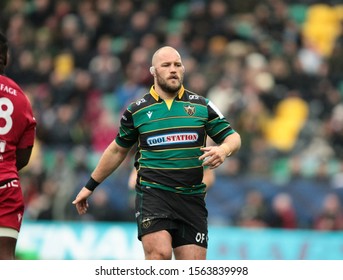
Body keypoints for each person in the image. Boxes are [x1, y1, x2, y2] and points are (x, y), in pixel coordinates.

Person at [73, 46, 241, 260]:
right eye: (166, 65)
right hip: (154, 194)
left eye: (177, 65)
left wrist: (224, 149)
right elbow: (117, 150)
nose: (173, 69)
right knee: (159, 255)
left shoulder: (202, 106)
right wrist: (90, 186)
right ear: (153, 71)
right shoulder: (136, 110)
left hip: (192, 199)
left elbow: (233, 137)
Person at [0, 32, 37, 260]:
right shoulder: (19, 96)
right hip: (6, 187)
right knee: (5, 258)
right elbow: (23, 156)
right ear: (5, 57)